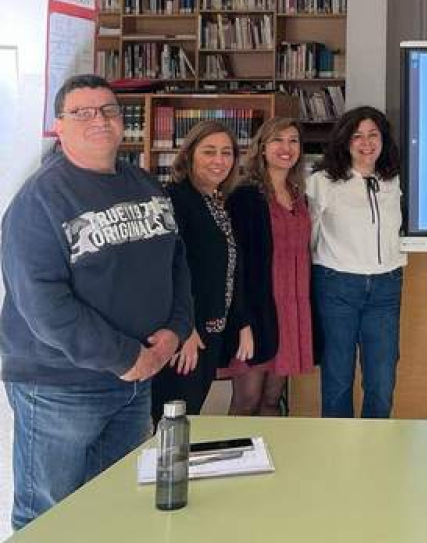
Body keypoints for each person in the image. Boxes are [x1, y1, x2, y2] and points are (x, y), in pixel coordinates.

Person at [0, 74, 191, 530]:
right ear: (59, 127)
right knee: (50, 512)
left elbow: (177, 262)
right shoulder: (39, 199)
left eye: (107, 110)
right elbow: (43, 304)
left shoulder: (144, 183)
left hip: (135, 380)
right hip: (61, 386)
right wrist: (126, 357)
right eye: (82, 112)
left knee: (113, 505)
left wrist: (176, 329)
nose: (99, 120)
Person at [152, 121, 255, 421]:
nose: (219, 160)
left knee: (188, 417)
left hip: (213, 331)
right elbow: (166, 270)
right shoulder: (175, 199)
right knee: (171, 422)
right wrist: (184, 329)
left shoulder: (215, 201)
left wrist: (241, 322)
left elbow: (230, 269)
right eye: (209, 151)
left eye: (226, 153)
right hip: (186, 334)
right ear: (189, 155)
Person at [309, 107, 406, 419]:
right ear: (345, 141)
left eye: (373, 135)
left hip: (386, 287)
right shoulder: (322, 182)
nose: (366, 143)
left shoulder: (394, 180)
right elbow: (307, 236)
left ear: (383, 139)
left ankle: (374, 453)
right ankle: (341, 456)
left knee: (382, 379)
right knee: (338, 377)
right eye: (358, 136)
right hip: (337, 285)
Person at [221, 117, 316, 416]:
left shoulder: (300, 197)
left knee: (273, 400)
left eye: (293, 141)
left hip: (290, 311)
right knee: (247, 400)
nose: (286, 148)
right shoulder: (245, 197)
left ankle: (273, 461)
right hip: (257, 310)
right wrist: (242, 321)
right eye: (277, 140)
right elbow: (236, 265)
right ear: (261, 148)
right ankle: (233, 462)